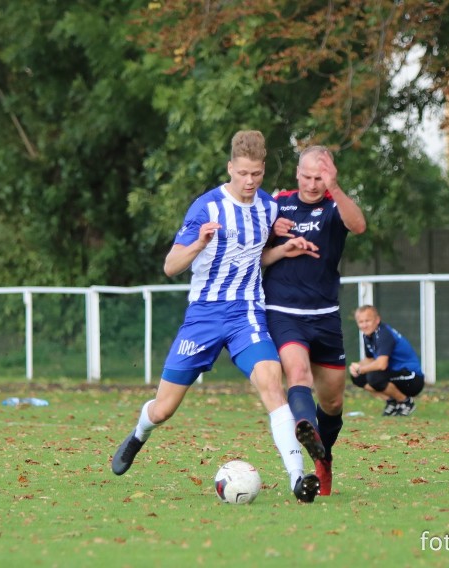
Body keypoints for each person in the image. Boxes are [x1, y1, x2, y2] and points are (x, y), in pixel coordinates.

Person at [111, 130, 323, 503]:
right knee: (163, 409)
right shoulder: (206, 208)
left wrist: (283, 250)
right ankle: (139, 433)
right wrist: (198, 244)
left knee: (274, 388)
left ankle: (297, 477)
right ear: (230, 168)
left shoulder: (268, 208)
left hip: (247, 315)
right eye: (242, 173)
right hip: (204, 317)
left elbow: (255, 258)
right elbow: (170, 266)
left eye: (256, 174)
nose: (249, 182)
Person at [261, 145, 366, 496]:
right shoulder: (278, 204)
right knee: (298, 373)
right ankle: (305, 427)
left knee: (333, 403)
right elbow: (255, 259)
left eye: (319, 177)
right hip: (284, 311)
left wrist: (335, 188)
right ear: (296, 173)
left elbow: (360, 225)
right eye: (306, 176)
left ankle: (324, 454)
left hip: (324, 315)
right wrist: (272, 233)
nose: (311, 183)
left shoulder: (335, 204)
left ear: (329, 176)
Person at [349, 305, 425, 416]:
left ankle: (406, 402)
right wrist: (356, 367)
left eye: (367, 321)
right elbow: (369, 359)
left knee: (374, 377)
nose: (364, 325)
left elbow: (381, 365)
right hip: (395, 375)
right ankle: (392, 401)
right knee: (357, 377)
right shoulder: (368, 335)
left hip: (412, 379)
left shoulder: (383, 334)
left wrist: (361, 369)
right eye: (361, 322)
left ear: (377, 320)